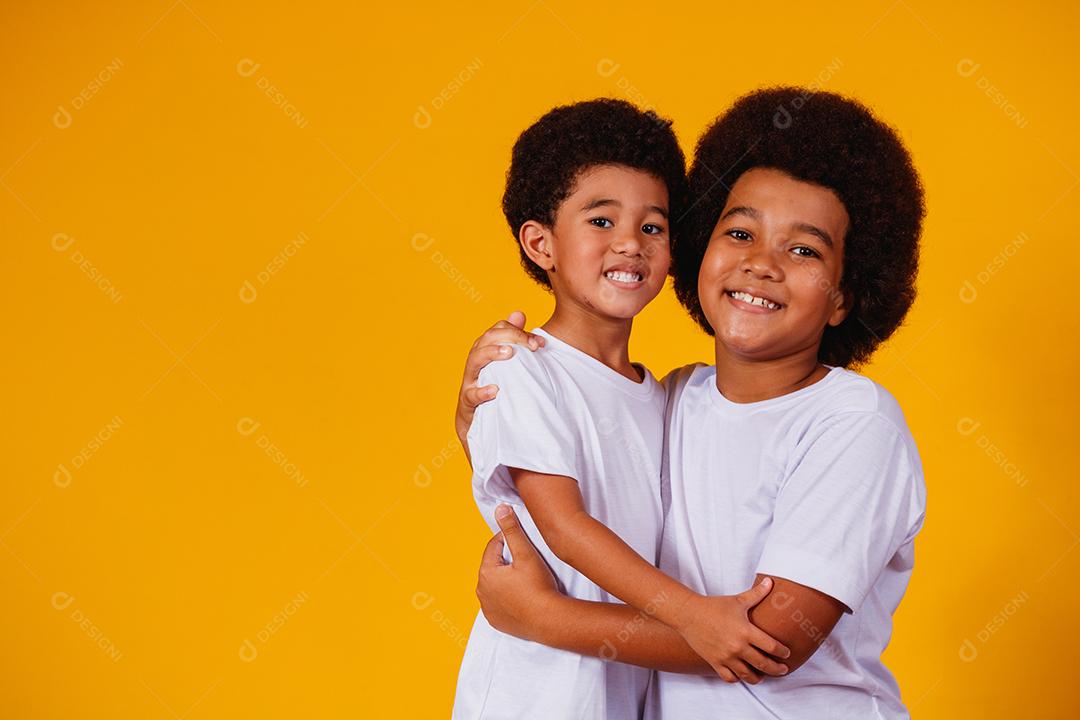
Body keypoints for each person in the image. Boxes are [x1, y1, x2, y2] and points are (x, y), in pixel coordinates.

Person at [456, 87, 927, 718]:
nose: (761, 263)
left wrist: (542, 617)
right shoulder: (672, 397)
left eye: (805, 249)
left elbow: (772, 641)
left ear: (844, 296)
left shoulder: (852, 423)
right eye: (739, 232)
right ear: (702, 247)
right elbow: (570, 455)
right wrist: (471, 417)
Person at [452, 98, 791, 720]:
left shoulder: (662, 396)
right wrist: (696, 616)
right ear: (541, 243)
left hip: (625, 685)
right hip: (540, 691)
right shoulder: (519, 371)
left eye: (653, 226)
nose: (630, 244)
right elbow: (564, 526)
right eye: (601, 221)